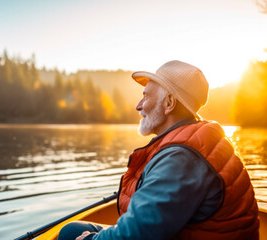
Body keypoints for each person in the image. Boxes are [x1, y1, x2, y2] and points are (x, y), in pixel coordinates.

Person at [58, 60, 260, 240]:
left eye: (145, 97)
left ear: (169, 103)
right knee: (72, 229)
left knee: (70, 235)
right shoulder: (197, 140)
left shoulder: (182, 158)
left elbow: (138, 235)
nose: (138, 106)